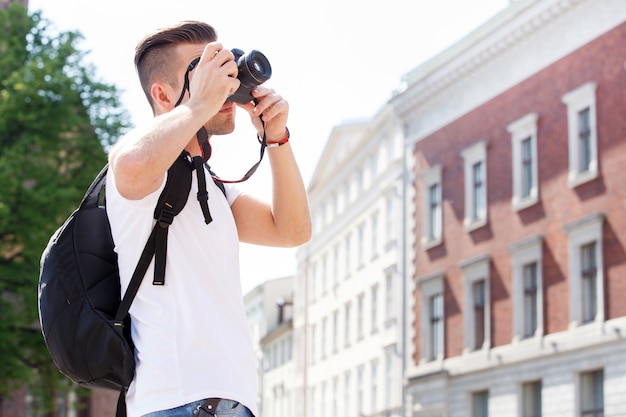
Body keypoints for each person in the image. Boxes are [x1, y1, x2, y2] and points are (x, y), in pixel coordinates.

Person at [106, 21, 311, 417]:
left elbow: (292, 231)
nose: (223, 80)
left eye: (224, 66)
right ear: (163, 94)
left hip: (232, 404)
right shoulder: (143, 169)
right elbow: (130, 164)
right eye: (202, 71)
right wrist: (199, 103)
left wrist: (277, 138)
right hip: (174, 403)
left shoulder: (212, 188)